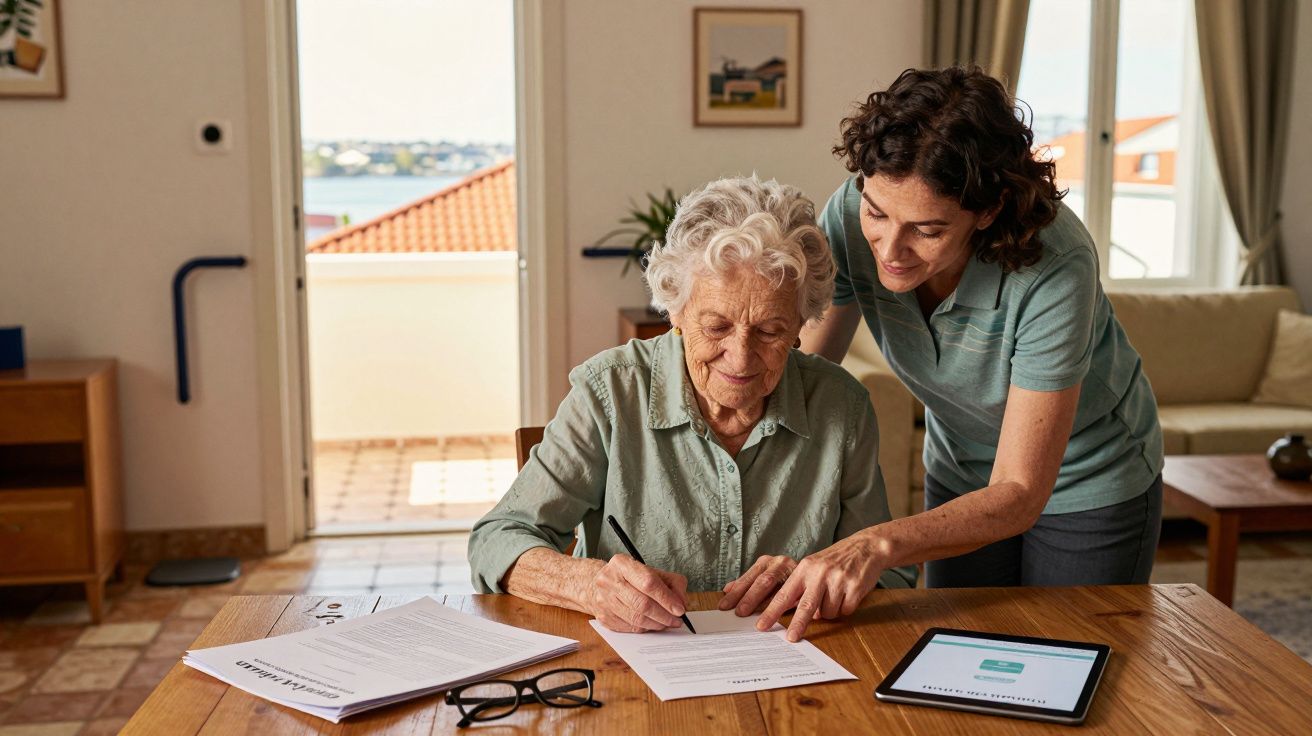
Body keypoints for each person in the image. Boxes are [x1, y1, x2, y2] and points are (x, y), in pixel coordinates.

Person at [724, 66, 1164, 642]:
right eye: (877, 212)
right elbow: (802, 377)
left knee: (1066, 663)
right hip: (960, 469)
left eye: (927, 230)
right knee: (958, 654)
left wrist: (875, 542)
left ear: (987, 211)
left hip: (1088, 479)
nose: (890, 249)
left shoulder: (1054, 268)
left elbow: (1019, 491)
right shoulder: (851, 220)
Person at [468, 175, 915, 633]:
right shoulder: (611, 393)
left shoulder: (843, 407)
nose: (740, 358)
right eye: (717, 326)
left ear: (802, 323)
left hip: (790, 674)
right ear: (675, 310)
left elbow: (891, 579)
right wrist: (588, 583)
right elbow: (495, 541)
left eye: (769, 331)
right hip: (634, 671)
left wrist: (819, 584)